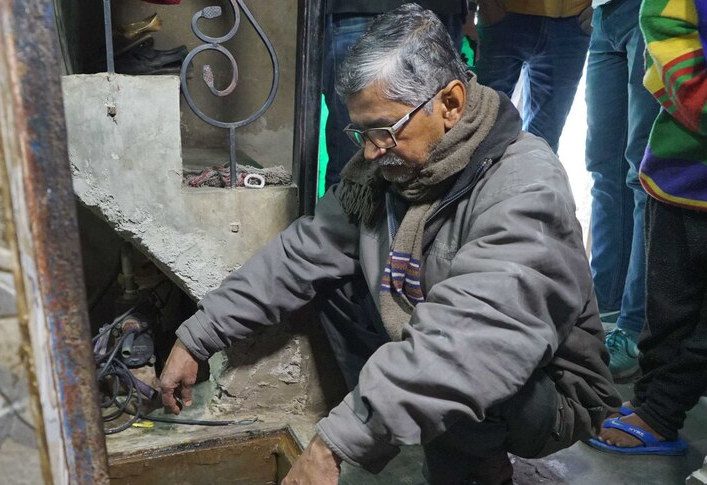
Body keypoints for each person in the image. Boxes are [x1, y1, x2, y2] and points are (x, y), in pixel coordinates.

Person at [161, 6, 619, 484]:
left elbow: (471, 344)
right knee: (331, 286)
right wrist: (198, 337)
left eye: (385, 130)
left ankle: (472, 461)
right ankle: (418, 422)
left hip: (546, 388)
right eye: (361, 132)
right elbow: (300, 254)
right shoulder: (389, 171)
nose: (371, 151)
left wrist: (334, 443)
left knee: (455, 373)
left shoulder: (523, 185)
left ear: (451, 103)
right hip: (449, 341)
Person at [589, 0, 707, 456]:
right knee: (670, 305)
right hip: (681, 165)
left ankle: (662, 408)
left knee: (694, 317)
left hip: (684, 156)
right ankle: (656, 402)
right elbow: (664, 23)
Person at [584, 0, 660, 380]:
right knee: (604, 168)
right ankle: (606, 307)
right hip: (605, 13)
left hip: (652, 8)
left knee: (642, 174)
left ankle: (634, 327)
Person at [322, 1, 468, 191]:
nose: (368, 154)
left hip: (439, 6)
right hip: (356, 8)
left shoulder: (504, 190)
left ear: (451, 104)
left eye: (387, 128)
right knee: (349, 178)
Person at [475, 0, 593, 152]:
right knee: (482, 130)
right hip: (505, 17)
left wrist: (593, 8)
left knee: (544, 145)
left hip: (571, 21)